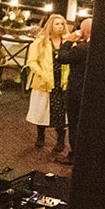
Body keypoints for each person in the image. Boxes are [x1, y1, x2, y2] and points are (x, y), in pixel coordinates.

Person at [27, 14, 70, 152]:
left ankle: (60, 140)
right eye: (57, 24)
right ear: (50, 26)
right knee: (42, 110)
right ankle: (40, 136)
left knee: (60, 112)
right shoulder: (41, 42)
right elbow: (32, 61)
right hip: (45, 81)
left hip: (61, 81)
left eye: (62, 24)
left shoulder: (67, 42)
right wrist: (41, 73)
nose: (60, 27)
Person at [57, 17, 92, 163]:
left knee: (73, 122)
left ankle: (74, 154)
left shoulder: (82, 49)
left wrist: (68, 41)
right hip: (89, 92)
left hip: (76, 91)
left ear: (84, 31)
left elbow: (62, 57)